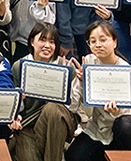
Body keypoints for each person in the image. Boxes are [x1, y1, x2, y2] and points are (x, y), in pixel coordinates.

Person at [65, 21, 131, 161]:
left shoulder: (126, 69)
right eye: (93, 41)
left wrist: (117, 112)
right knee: (73, 157)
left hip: (127, 128)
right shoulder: (89, 63)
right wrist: (80, 82)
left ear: (115, 42)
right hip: (99, 128)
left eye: (103, 40)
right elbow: (72, 106)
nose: (98, 44)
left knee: (123, 125)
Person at [9, 23, 78, 161]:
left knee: (53, 109)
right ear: (32, 42)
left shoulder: (66, 68)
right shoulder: (19, 67)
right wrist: (18, 100)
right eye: (42, 40)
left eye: (52, 42)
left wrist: (65, 82)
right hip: (28, 124)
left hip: (59, 120)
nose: (47, 45)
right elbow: (15, 109)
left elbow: (75, 107)